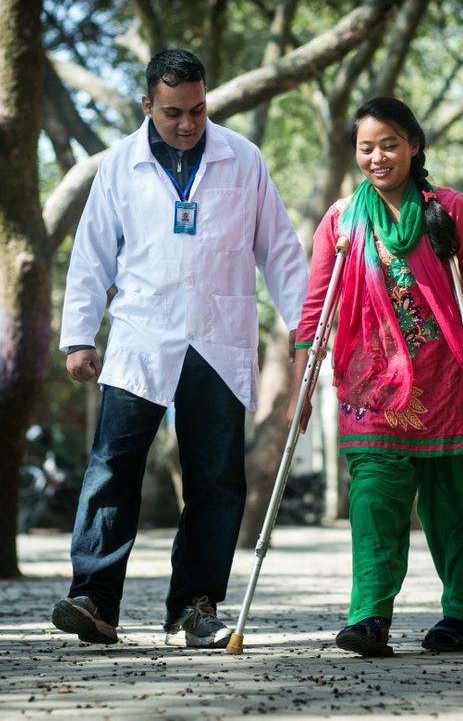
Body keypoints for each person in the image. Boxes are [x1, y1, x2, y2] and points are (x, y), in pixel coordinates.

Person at [53, 50, 308, 648]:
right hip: (143, 335)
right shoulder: (119, 165)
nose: (188, 123)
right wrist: (79, 336)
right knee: (112, 468)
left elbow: (279, 251)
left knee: (216, 479)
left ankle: (194, 608)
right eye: (173, 113)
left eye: (197, 109)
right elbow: (92, 254)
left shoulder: (243, 159)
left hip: (218, 337)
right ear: (147, 106)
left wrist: (307, 329)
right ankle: (95, 599)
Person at [291, 96, 463, 657]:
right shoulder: (342, 220)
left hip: (451, 378)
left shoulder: (449, 210)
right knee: (373, 499)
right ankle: (369, 617)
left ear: (414, 145)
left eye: (389, 144)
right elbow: (315, 308)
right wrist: (301, 388)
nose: (377, 157)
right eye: (366, 147)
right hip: (374, 386)